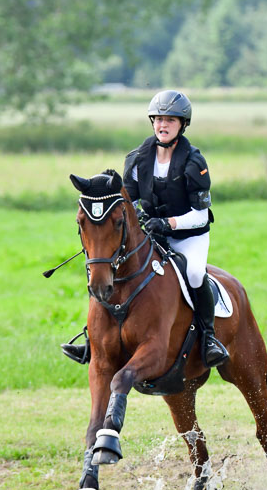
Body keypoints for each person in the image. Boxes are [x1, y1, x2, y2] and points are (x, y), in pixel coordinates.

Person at [61, 89, 229, 368]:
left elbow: (200, 216)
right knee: (108, 268)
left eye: (170, 120)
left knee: (196, 273)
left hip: (188, 236)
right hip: (150, 233)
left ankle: (209, 338)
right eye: (158, 119)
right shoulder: (138, 157)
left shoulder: (194, 162)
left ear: (182, 125)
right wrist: (138, 216)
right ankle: (93, 339)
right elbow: (131, 199)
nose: (163, 125)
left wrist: (167, 223)